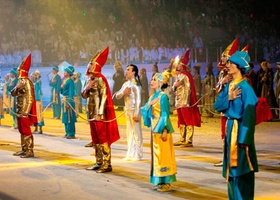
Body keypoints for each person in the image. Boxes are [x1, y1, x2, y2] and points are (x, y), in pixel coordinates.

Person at [214, 51, 258, 200]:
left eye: (231, 63)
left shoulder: (245, 88)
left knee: (241, 168)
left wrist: (244, 140)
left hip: (239, 133)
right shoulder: (229, 86)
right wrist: (229, 97)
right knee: (231, 171)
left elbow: (250, 114)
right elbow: (217, 105)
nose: (228, 65)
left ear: (239, 66)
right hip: (230, 130)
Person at [82, 47, 120, 173]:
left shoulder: (100, 79)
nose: (89, 65)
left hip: (99, 115)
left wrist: (99, 113)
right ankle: (98, 162)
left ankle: (107, 163)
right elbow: (83, 95)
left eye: (91, 64)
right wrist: (87, 88)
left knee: (103, 139)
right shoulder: (89, 80)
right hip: (91, 113)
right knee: (95, 139)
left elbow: (104, 97)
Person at [141, 72, 176, 192]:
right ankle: (159, 181)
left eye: (155, 80)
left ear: (160, 82)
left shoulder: (163, 97)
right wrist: (149, 104)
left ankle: (166, 182)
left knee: (163, 155)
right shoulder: (152, 97)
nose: (152, 81)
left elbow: (165, 114)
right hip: (154, 130)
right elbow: (144, 109)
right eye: (152, 79)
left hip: (161, 130)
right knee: (157, 156)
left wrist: (165, 130)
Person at [214, 38, 239, 167]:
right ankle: (226, 157)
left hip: (232, 111)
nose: (222, 59)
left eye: (225, 57)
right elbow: (218, 92)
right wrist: (222, 82)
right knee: (224, 134)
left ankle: (231, 158)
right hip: (224, 108)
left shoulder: (237, 78)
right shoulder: (223, 73)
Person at [173, 50, 201, 147]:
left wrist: (187, 101)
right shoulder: (178, 76)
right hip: (178, 100)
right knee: (181, 120)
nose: (178, 66)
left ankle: (189, 140)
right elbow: (174, 87)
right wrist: (175, 85)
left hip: (184, 101)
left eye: (179, 64)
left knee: (187, 120)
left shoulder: (186, 75)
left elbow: (189, 89)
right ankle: (182, 138)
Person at [11, 54, 37, 158]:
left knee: (26, 130)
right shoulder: (19, 82)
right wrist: (17, 88)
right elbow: (13, 93)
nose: (17, 72)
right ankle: (24, 148)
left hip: (24, 110)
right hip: (19, 109)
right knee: (21, 130)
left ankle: (30, 150)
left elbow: (30, 98)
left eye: (19, 70)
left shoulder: (27, 82)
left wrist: (26, 111)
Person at [115, 64, 143, 161]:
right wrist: (124, 93)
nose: (126, 72)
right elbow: (117, 95)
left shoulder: (136, 84)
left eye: (128, 70)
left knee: (137, 133)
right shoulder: (125, 84)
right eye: (126, 70)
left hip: (134, 111)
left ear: (134, 72)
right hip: (127, 111)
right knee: (129, 133)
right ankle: (130, 153)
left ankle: (138, 154)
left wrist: (136, 114)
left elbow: (139, 101)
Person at [61, 65, 77, 139]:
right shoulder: (65, 80)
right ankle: (67, 132)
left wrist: (69, 102)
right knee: (65, 117)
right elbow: (62, 92)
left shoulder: (70, 81)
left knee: (69, 117)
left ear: (68, 73)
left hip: (68, 100)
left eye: (65, 71)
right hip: (64, 100)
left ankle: (71, 133)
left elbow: (71, 92)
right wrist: (61, 88)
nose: (64, 72)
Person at [30, 70, 44, 134]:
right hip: (34, 100)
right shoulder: (33, 83)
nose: (31, 78)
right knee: (34, 114)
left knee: (39, 113)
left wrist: (38, 76)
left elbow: (38, 90)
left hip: (37, 100)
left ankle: (40, 129)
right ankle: (35, 128)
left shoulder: (38, 82)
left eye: (32, 77)